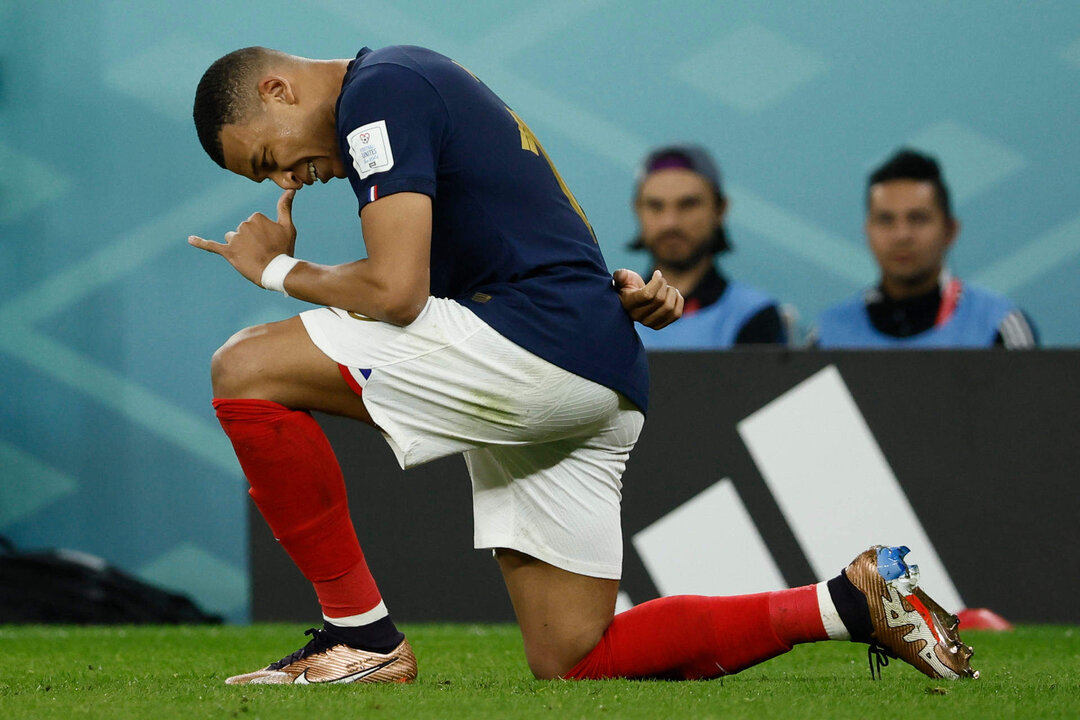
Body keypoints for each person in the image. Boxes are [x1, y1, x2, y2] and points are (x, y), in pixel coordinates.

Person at [189, 45, 977, 685]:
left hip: (538, 348)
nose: (286, 179)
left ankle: (356, 637)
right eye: (267, 178)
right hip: (596, 363)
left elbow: (397, 292)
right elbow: (528, 227)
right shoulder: (420, 82)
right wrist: (619, 294)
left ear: (278, 88)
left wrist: (274, 271)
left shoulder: (377, 95)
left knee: (243, 367)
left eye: (268, 157)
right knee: (575, 656)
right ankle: (849, 601)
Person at [812, 148, 1037, 348]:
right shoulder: (826, 336)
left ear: (950, 230)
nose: (902, 235)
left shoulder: (998, 326)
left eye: (918, 219)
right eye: (886, 220)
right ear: (867, 231)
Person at [630, 145, 787, 349]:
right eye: (655, 206)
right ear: (637, 210)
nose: (670, 222)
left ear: (720, 209)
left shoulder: (754, 314)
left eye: (688, 204)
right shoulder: (610, 312)